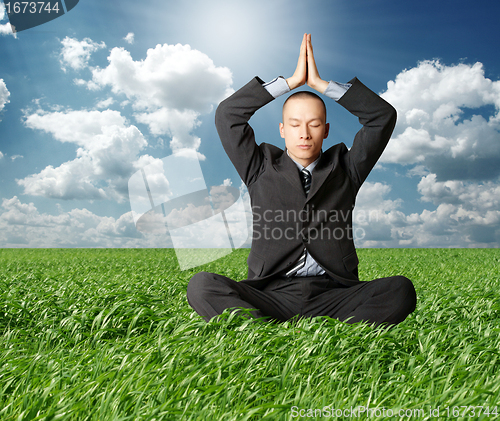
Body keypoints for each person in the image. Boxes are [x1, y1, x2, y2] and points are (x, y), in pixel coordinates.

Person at [186, 34, 416, 326]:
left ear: (326, 129)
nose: (304, 133)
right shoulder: (259, 167)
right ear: (282, 130)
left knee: (400, 290)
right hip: (271, 293)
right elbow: (228, 115)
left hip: (334, 294)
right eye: (295, 125)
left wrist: (321, 85)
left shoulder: (347, 168)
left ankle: (334, 336)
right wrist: (290, 83)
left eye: (314, 124)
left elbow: (382, 117)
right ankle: (260, 332)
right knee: (201, 285)